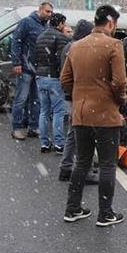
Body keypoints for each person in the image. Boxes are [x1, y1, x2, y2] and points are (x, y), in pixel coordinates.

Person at [60, 4, 127, 226]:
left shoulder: (76, 46)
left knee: (82, 163)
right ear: (110, 23)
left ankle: (73, 208)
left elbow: (65, 80)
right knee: (108, 164)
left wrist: (79, 98)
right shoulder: (114, 45)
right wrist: (119, 100)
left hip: (81, 114)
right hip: (106, 115)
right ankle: (105, 213)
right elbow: (119, 82)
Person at [58, 19, 96, 183]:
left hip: (71, 95)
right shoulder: (78, 48)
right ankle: (83, 172)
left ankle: (66, 168)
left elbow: (65, 76)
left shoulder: (69, 46)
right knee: (83, 135)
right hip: (78, 96)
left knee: (74, 134)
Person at [10, 1, 53, 140]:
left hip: (38, 69)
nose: (49, 14)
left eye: (51, 12)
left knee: (36, 99)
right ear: (40, 10)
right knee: (21, 99)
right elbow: (16, 41)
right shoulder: (26, 23)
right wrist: (16, 62)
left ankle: (33, 126)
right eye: (47, 11)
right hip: (26, 67)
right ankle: (17, 127)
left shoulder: (45, 26)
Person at [34, 12, 70, 153]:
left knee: (44, 111)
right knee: (58, 112)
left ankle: (44, 143)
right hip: (54, 78)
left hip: (40, 76)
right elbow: (62, 60)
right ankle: (59, 144)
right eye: (64, 23)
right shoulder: (61, 38)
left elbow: (35, 56)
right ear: (60, 24)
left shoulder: (41, 35)